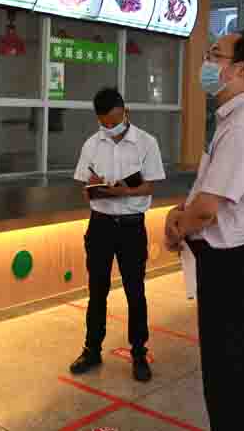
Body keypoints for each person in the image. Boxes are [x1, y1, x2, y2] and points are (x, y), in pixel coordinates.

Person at [164, 27, 244, 431]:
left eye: (215, 55)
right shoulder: (235, 119)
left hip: (232, 263)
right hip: (230, 260)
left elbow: (208, 210)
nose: (206, 64)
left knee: (227, 370)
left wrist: (178, 227)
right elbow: (207, 192)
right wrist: (181, 213)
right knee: (228, 364)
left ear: (243, 69)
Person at [69, 87, 166, 382]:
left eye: (115, 121)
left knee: (135, 291)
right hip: (100, 225)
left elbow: (150, 185)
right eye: (105, 123)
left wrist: (125, 192)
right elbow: (84, 185)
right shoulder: (91, 144)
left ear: (126, 112)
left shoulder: (146, 143)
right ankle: (91, 350)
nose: (110, 127)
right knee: (97, 290)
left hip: (131, 226)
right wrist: (93, 187)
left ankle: (139, 353)